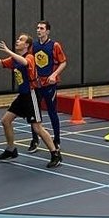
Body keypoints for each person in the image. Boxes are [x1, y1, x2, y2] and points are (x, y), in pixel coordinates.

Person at [0, 34, 62, 168]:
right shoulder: (14, 59)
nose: (17, 41)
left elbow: (24, 63)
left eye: (21, 40)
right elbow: (2, 64)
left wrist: (8, 50)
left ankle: (55, 154)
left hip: (32, 94)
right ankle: (11, 150)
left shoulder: (29, 57)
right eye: (17, 39)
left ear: (27, 45)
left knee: (37, 128)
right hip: (22, 96)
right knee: (5, 120)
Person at [28, 20, 67, 152]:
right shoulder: (33, 46)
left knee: (52, 112)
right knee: (34, 113)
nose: (39, 30)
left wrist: (54, 75)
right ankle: (34, 139)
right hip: (36, 85)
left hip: (49, 85)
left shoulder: (54, 45)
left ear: (47, 31)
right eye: (37, 28)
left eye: (42, 28)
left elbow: (63, 62)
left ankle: (56, 140)